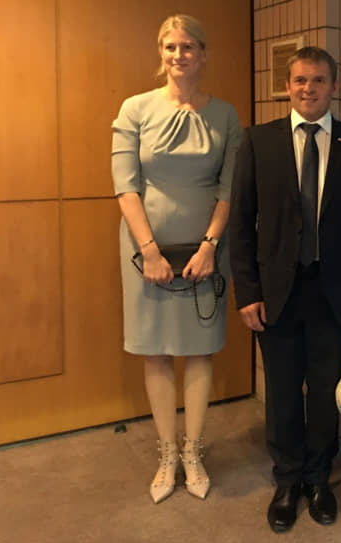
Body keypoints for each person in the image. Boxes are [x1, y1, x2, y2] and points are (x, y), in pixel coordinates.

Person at [229, 47, 341, 534]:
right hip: (275, 291)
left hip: (331, 292)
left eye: (318, 80)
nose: (308, 88)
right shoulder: (258, 141)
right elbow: (241, 225)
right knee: (280, 389)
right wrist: (247, 291)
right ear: (288, 85)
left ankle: (319, 478)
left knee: (324, 390)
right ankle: (287, 479)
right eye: (299, 80)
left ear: (333, 86)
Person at [112, 14, 241, 504]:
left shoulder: (226, 115)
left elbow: (229, 188)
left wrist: (210, 245)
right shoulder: (134, 109)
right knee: (157, 350)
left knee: (200, 348)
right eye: (170, 46)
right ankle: (167, 454)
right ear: (160, 53)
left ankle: (194, 452)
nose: (178, 54)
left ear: (203, 54)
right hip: (145, 251)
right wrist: (149, 251)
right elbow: (125, 186)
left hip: (206, 251)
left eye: (188, 46)